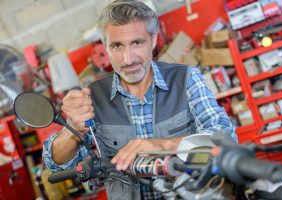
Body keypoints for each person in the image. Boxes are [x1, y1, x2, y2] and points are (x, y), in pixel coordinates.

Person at [43, 0, 237, 199]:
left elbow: (226, 139)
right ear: (106, 47)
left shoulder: (186, 78)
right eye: (117, 46)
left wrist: (161, 145)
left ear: (153, 40)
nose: (128, 59)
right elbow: (56, 164)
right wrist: (73, 130)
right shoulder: (92, 97)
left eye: (137, 43)